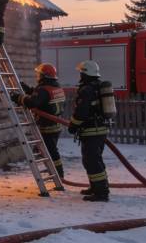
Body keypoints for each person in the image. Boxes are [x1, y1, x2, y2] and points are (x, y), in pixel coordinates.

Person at [11, 63, 66, 178]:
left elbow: (33, 102)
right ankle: (56, 172)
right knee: (51, 151)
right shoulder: (56, 87)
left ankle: (58, 174)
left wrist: (18, 98)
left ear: (44, 76)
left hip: (47, 127)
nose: (37, 76)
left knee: (51, 152)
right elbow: (42, 98)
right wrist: (28, 89)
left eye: (39, 74)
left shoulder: (44, 89)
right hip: (55, 125)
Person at [68, 60, 110, 202]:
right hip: (100, 129)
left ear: (85, 73)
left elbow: (82, 112)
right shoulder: (98, 86)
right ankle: (96, 187)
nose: (80, 75)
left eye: (81, 72)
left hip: (91, 130)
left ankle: (101, 193)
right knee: (94, 160)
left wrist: (73, 125)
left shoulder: (87, 89)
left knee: (92, 161)